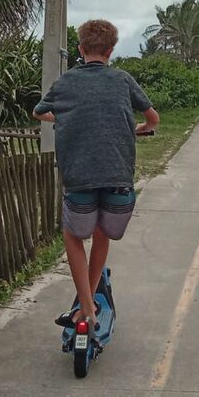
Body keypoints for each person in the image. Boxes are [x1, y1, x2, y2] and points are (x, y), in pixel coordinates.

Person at [33, 19, 160, 327]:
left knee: (73, 234)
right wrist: (140, 129)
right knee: (103, 233)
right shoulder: (122, 79)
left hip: (79, 179)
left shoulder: (65, 82)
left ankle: (86, 306)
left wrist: (64, 118)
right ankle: (89, 302)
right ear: (111, 50)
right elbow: (152, 118)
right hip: (119, 182)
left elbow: (38, 111)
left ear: (80, 49)